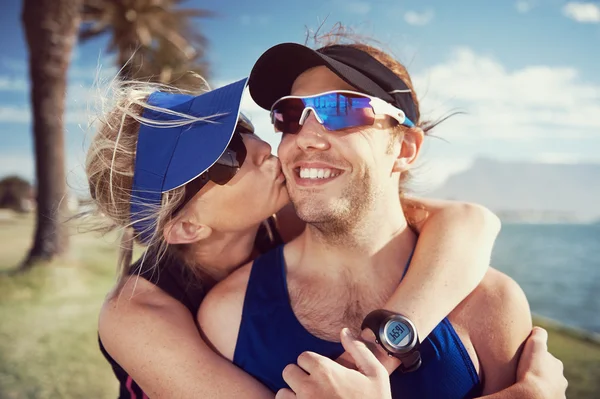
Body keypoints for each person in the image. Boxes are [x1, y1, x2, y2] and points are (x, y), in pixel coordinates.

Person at [88, 77, 566, 398]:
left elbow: (469, 221)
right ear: (186, 227)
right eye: (228, 157)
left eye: (244, 129)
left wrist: (384, 346)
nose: (262, 149)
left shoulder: (291, 214)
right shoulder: (136, 316)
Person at [197, 41, 558, 399]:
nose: (305, 138)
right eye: (290, 116)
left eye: (341, 110)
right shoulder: (229, 314)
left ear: (404, 149)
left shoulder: (491, 304)